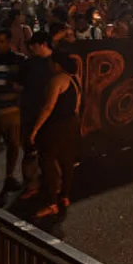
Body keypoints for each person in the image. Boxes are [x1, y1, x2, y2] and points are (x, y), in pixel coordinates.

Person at [29, 50, 81, 218]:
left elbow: (48, 107)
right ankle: (65, 196)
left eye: (51, 62)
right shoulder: (76, 78)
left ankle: (51, 203)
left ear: (57, 65)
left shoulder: (57, 80)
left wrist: (36, 129)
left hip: (57, 125)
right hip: (71, 122)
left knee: (47, 160)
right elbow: (77, 105)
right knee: (67, 160)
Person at [0, 29, 27, 193]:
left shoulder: (19, 61)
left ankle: (9, 176)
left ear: (9, 42)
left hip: (12, 111)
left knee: (13, 145)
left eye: (2, 41)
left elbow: (26, 84)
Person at [18, 31, 55, 199]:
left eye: (34, 45)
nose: (31, 48)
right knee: (31, 150)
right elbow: (17, 84)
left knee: (48, 151)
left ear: (43, 44)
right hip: (32, 112)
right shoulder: (30, 64)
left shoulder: (55, 63)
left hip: (48, 113)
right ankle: (35, 184)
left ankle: (51, 185)